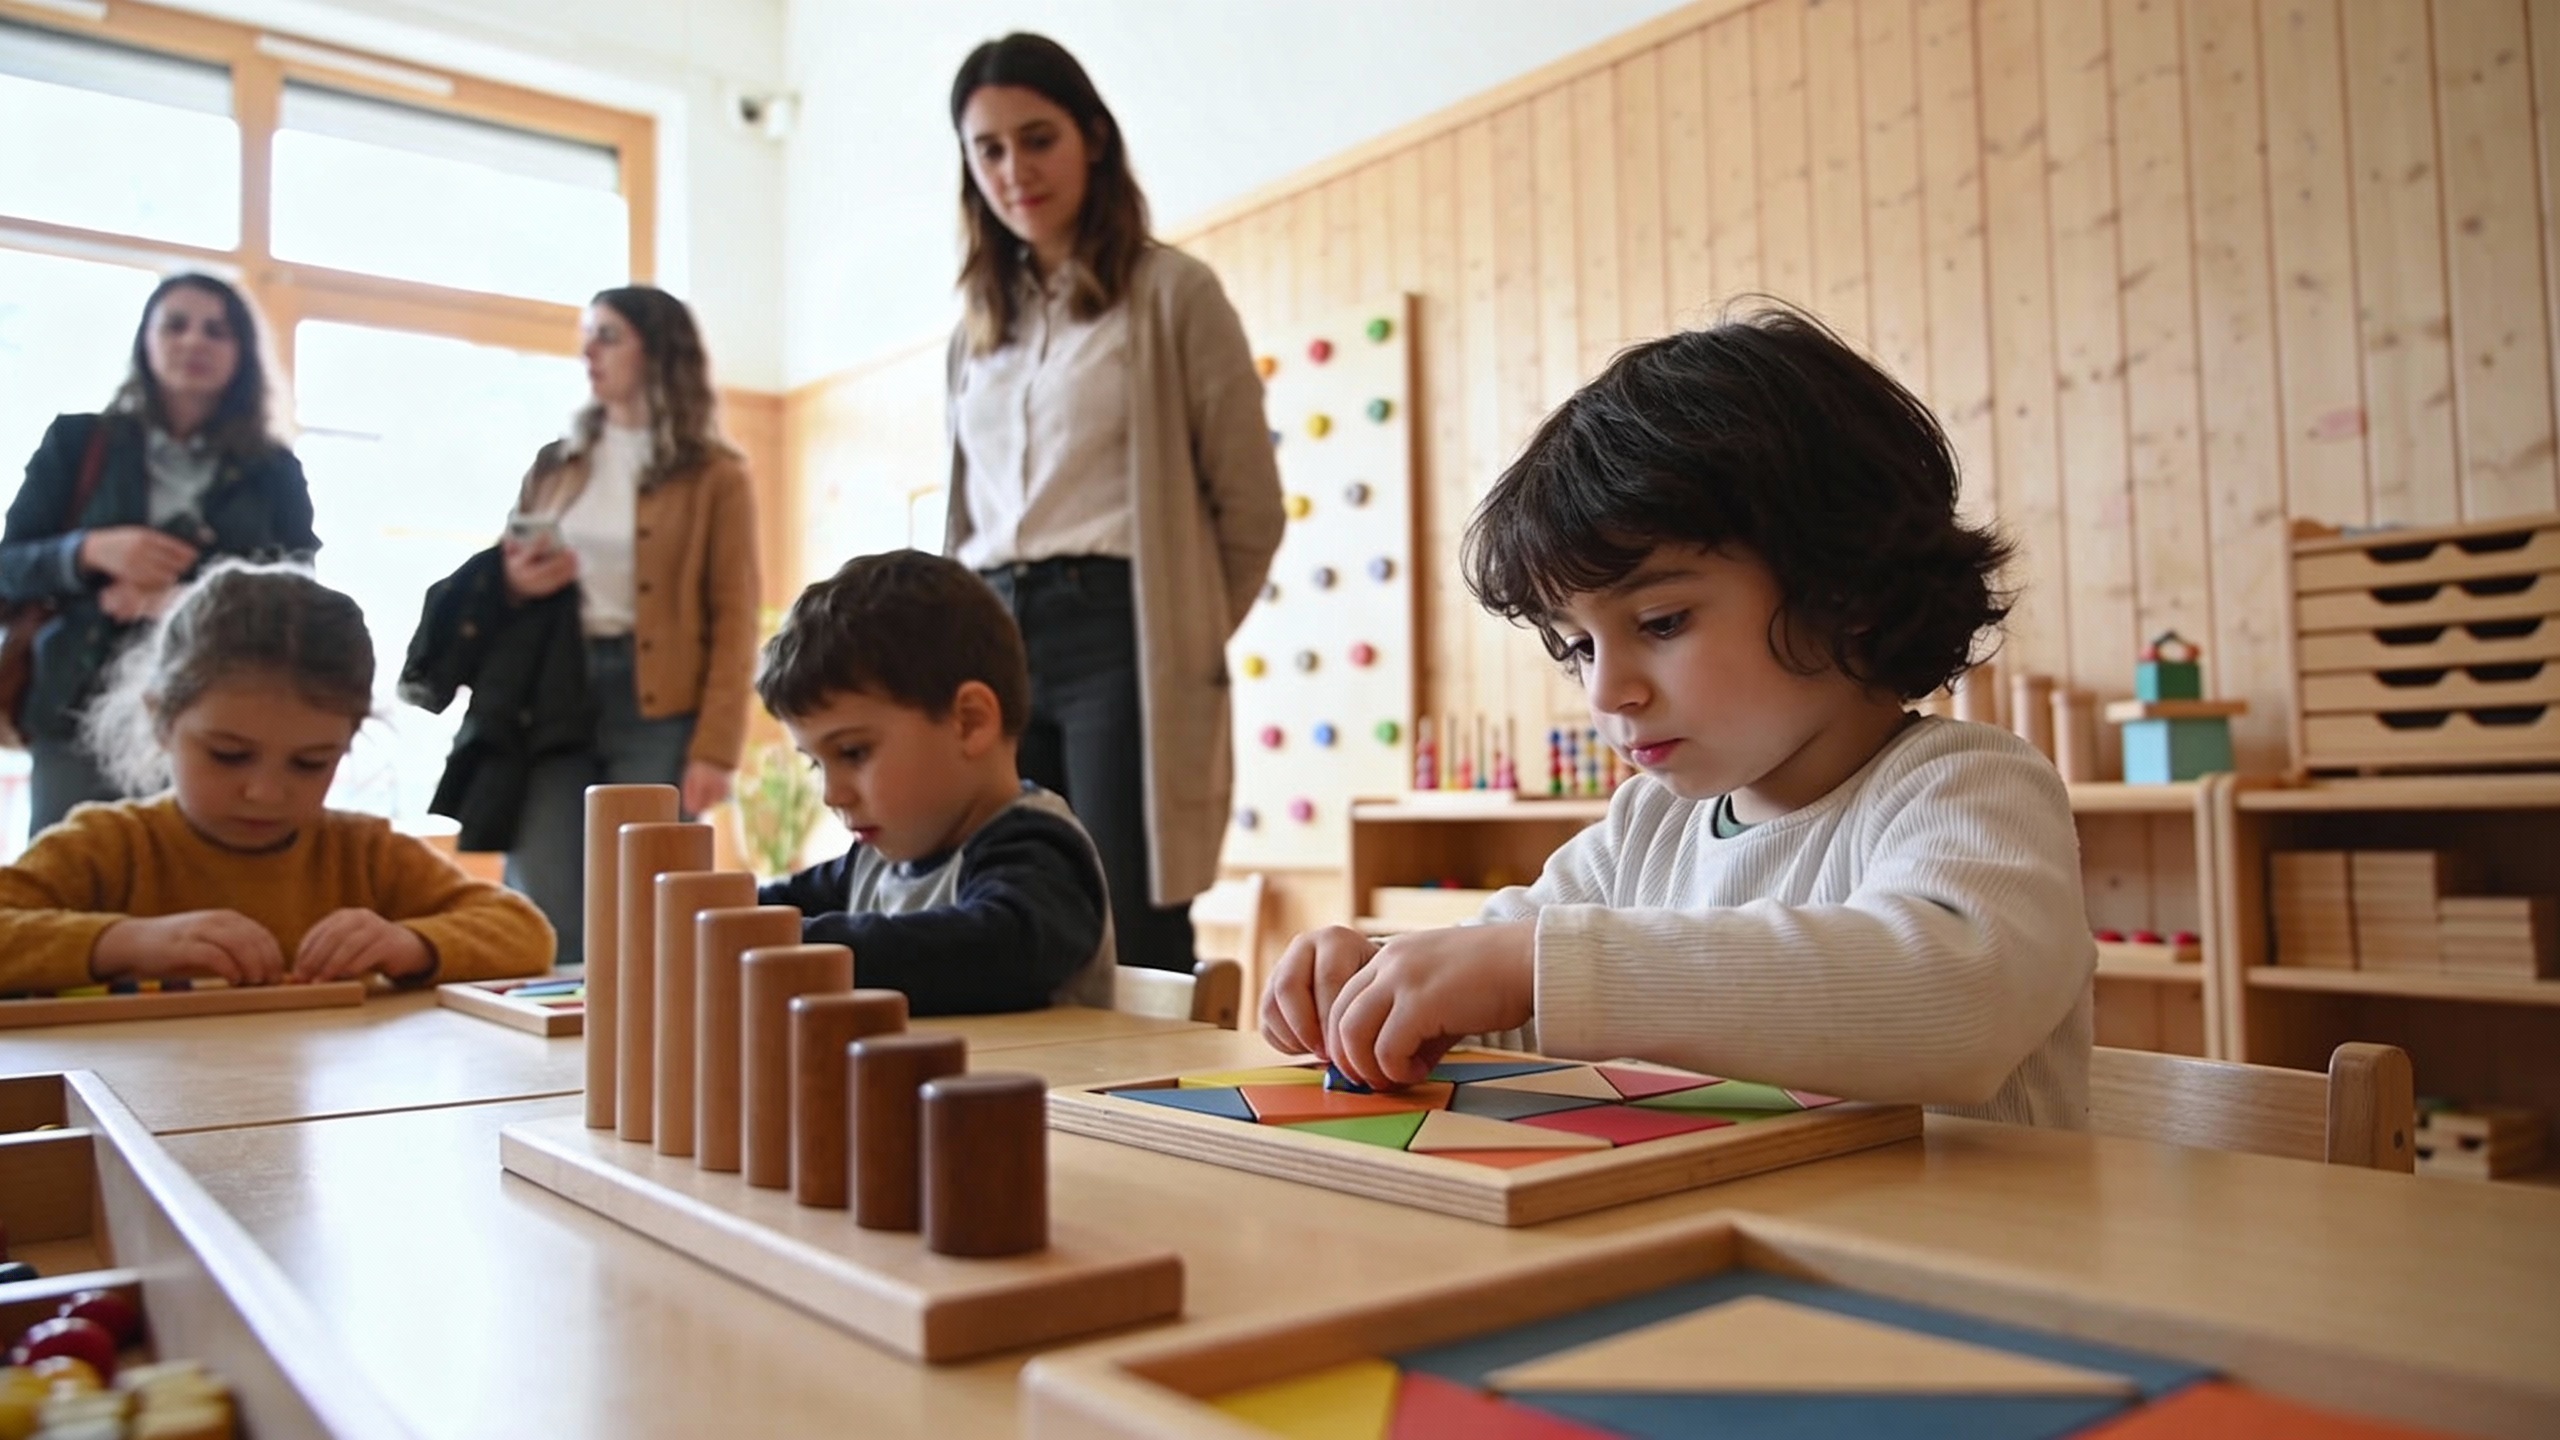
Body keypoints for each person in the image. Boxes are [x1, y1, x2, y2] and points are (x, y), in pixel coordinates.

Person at [1258, 307, 2095, 1128]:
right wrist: (1375, 977)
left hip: (1964, 1260)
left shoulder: (1971, 787)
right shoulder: (1648, 831)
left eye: (1660, 624)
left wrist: (1533, 965)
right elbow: (1500, 987)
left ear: (1847, 593)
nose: (1607, 691)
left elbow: (1952, 1002)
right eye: (1578, 647)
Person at [945, 33, 1284, 973]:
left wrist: (1182, 636)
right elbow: (967, 518)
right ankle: (1037, 1118)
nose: (1016, 170)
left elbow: (1251, 506)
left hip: (1120, 635)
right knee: (1013, 898)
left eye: (1038, 138)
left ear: (1092, 138)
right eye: (990, 150)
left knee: (1130, 912)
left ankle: (1156, 1120)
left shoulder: (1174, 294)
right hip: (992, 638)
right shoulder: (973, 331)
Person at [0, 562, 552, 994]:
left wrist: (410, 943)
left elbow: (524, 932)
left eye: (311, 763)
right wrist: (121, 943)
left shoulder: (363, 854)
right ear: (161, 720)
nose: (265, 792)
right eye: (228, 755)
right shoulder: (110, 846)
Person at [464, 286, 759, 965]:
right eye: (586, 335)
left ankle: (646, 1054)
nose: (587, 351)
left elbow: (734, 612)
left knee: (647, 895)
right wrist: (514, 580)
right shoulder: (554, 463)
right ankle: (550, 1059)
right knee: (544, 887)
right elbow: (505, 569)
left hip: (660, 705)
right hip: (552, 694)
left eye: (607, 335)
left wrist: (715, 746)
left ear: (657, 349)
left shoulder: (717, 475)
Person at [1, 273, 320, 834]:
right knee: (68, 882)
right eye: (176, 324)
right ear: (146, 338)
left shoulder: (274, 469)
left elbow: (298, 588)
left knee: (193, 881)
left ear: (240, 352)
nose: (194, 341)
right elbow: (9, 567)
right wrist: (92, 551)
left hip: (219, 711)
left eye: (216, 331)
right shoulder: (78, 443)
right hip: (75, 701)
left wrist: (190, 600)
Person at [752, 550, 1113, 1015]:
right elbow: (767, 910)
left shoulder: (1038, 850)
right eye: (817, 765)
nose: (832, 794)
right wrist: (700, 919)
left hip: (1034, 1088)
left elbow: (992, 951)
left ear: (969, 722)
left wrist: (804, 949)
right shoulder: (872, 863)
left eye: (853, 753)